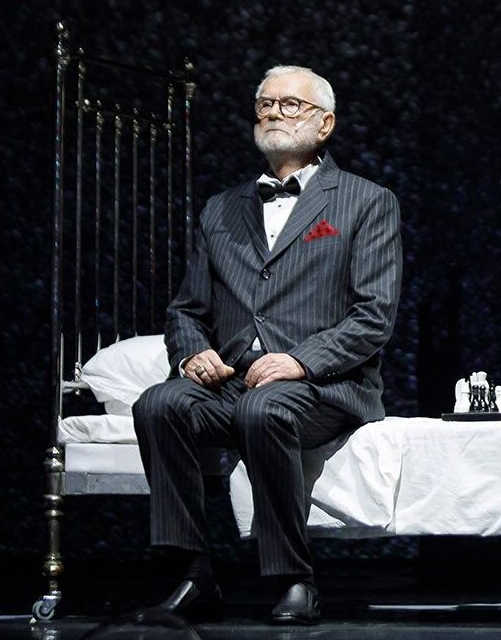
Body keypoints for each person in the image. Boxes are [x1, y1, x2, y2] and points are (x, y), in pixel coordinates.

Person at [131, 64, 402, 626]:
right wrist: (192, 353)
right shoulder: (222, 208)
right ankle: (192, 574)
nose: (274, 113)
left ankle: (293, 577)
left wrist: (300, 360)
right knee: (159, 403)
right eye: (265, 104)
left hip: (324, 386)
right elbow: (186, 309)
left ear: (325, 124)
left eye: (290, 104)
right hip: (235, 381)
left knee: (265, 408)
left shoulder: (366, 201)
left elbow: (373, 315)